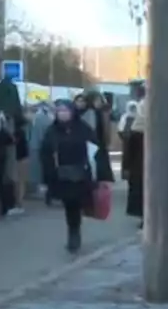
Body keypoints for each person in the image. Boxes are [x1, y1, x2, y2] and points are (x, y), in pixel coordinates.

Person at [40, 101, 114, 252]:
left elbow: (97, 151)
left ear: (72, 112)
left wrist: (102, 175)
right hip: (63, 176)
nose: (62, 113)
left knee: (80, 203)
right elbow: (45, 154)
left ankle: (76, 229)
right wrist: (47, 178)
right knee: (71, 205)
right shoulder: (52, 131)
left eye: (65, 110)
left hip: (82, 174)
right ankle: (73, 233)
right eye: (59, 111)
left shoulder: (83, 129)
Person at [122, 98, 145, 227]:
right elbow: (129, 150)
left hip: (152, 167)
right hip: (139, 167)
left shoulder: (160, 127)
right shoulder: (136, 127)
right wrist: (127, 167)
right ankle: (144, 217)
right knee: (141, 192)